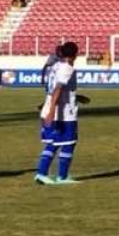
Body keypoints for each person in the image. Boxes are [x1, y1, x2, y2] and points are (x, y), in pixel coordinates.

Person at [34, 41, 81, 185]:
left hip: (50, 108)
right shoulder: (66, 68)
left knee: (53, 143)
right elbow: (58, 89)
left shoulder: (56, 66)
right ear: (75, 54)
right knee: (69, 143)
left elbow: (53, 87)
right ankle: (62, 176)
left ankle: (41, 174)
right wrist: (53, 111)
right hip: (63, 113)